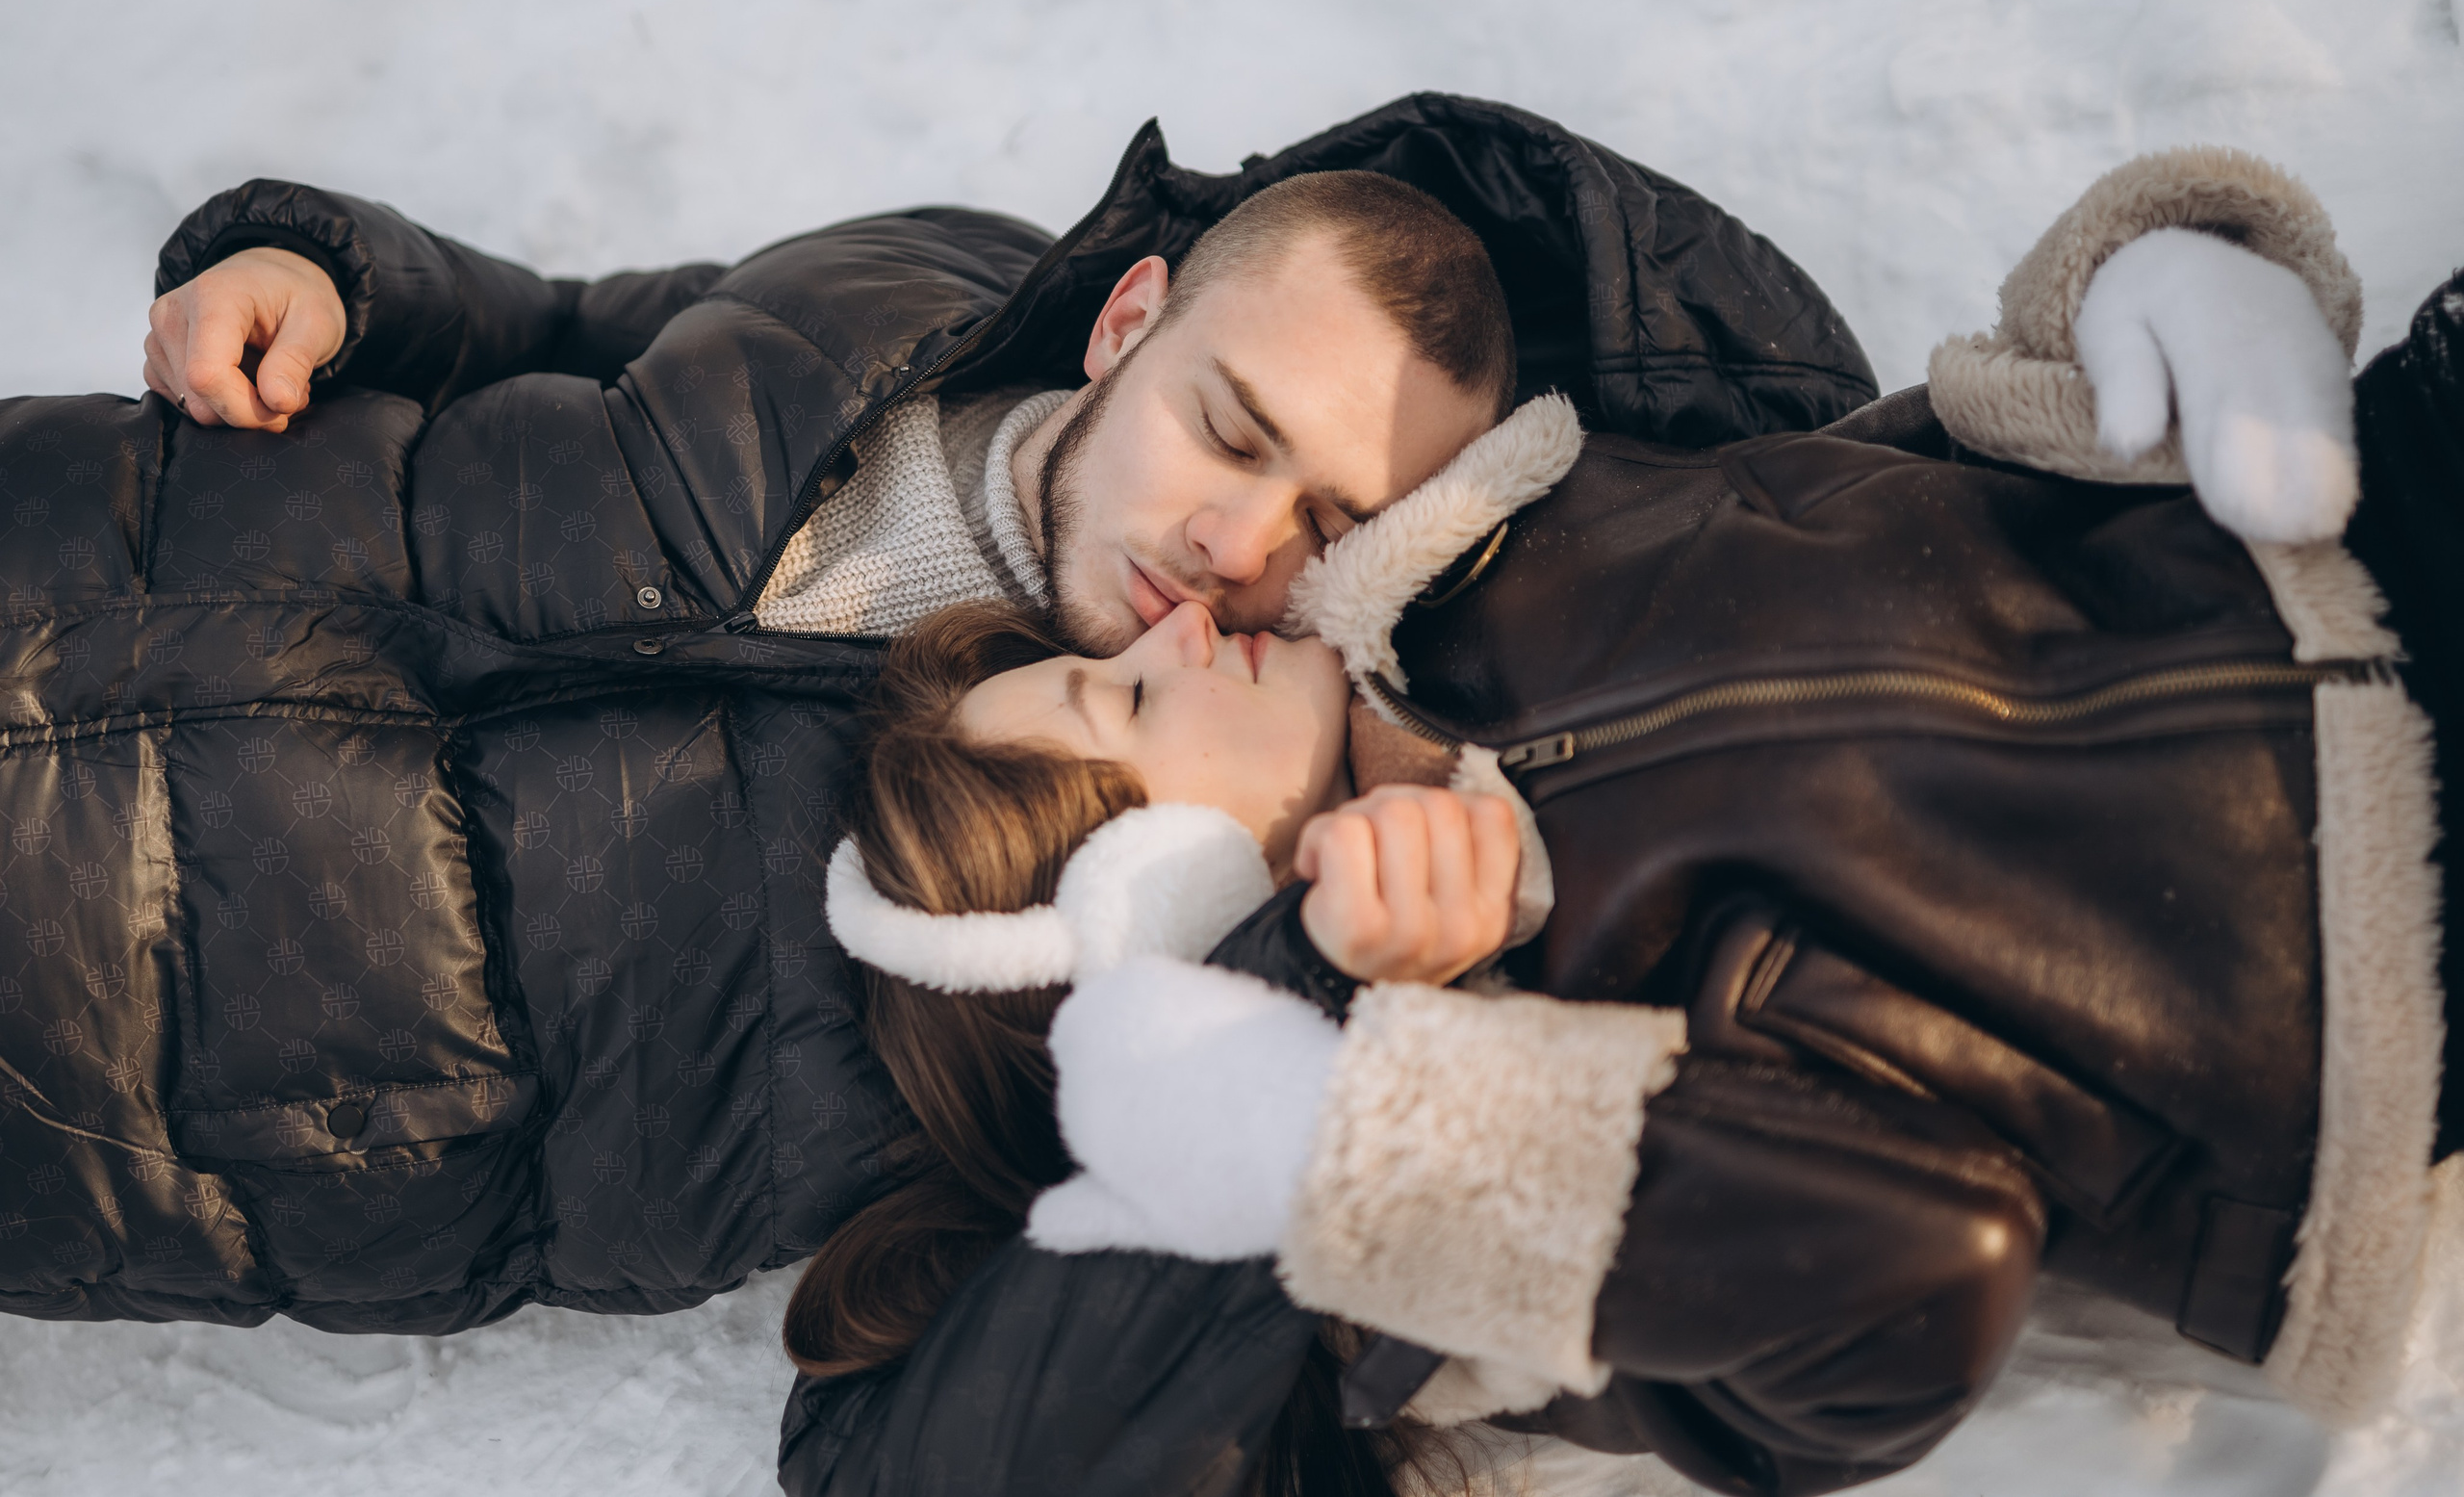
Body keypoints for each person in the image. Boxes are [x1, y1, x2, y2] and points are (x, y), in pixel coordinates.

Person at [0, 97, 1879, 1333]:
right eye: (1229, 434)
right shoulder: (926, 288)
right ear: (1126, 321)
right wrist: (330, 274)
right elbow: (561, 322)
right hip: (61, 540)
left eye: (1330, 527)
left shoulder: (1094, 899)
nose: (1239, 550)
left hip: (82, 1040)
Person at [778, 148, 2460, 1496]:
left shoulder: (1480, 554)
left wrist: (2141, 289)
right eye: (1129, 703)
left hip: (2362, 507)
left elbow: (1882, 484)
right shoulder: (1472, 1146)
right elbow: (1910, 1293)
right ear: (1167, 902)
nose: (1183, 623)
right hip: (2374, 947)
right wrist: (1351, 1118)